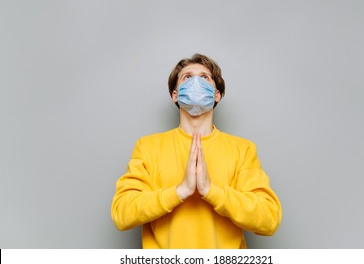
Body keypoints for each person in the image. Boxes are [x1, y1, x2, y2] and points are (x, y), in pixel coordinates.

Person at [111, 54, 282, 249]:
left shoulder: (242, 150)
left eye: (204, 77)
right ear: (175, 94)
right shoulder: (148, 147)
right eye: (187, 77)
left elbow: (269, 219)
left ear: (217, 94)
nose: (196, 82)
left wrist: (211, 191)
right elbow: (122, 214)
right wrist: (180, 191)